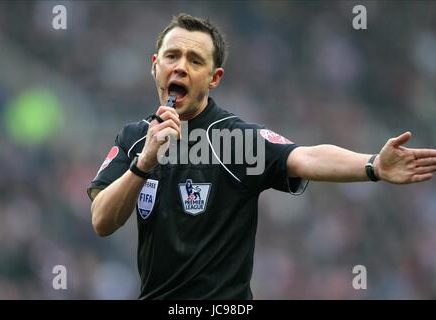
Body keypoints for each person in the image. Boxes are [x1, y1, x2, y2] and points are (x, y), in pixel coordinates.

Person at [87, 13, 436, 299]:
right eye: (172, 56)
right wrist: (144, 164)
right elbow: (102, 221)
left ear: (213, 78)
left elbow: (305, 157)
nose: (180, 67)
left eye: (195, 60)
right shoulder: (135, 140)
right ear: (155, 65)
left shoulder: (235, 139)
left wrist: (373, 165)